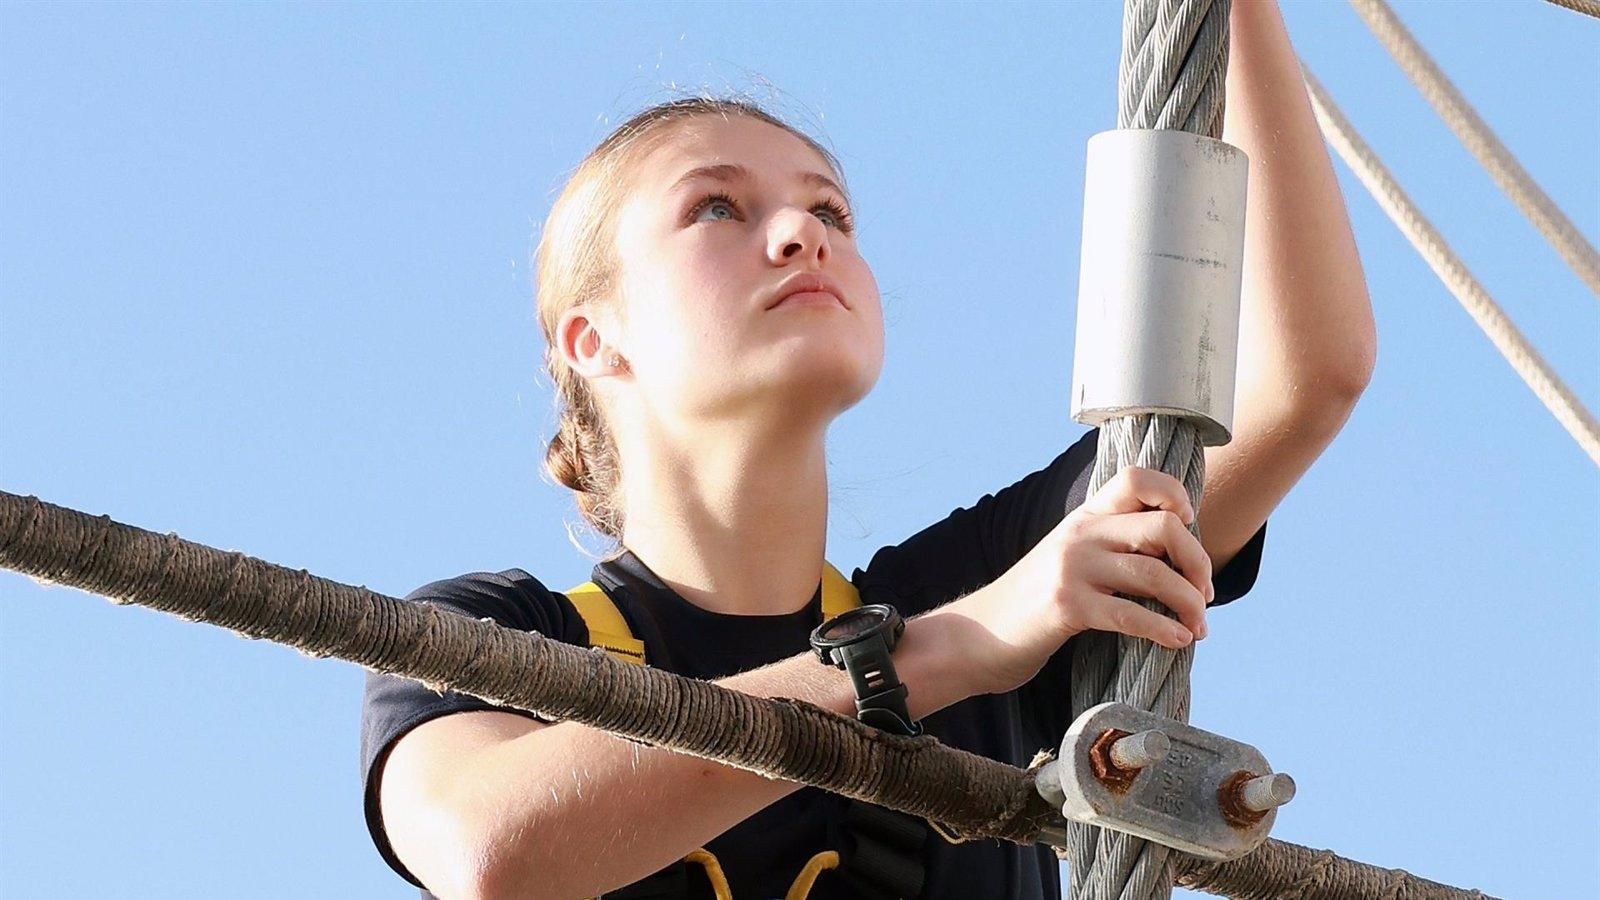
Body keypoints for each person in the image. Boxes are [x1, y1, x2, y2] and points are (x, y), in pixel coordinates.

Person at [359, 4, 1375, 897]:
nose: (803, 228)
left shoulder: (986, 581)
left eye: (832, 209)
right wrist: (945, 655)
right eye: (717, 206)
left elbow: (1295, 380)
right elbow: (491, 853)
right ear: (592, 338)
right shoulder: (493, 637)